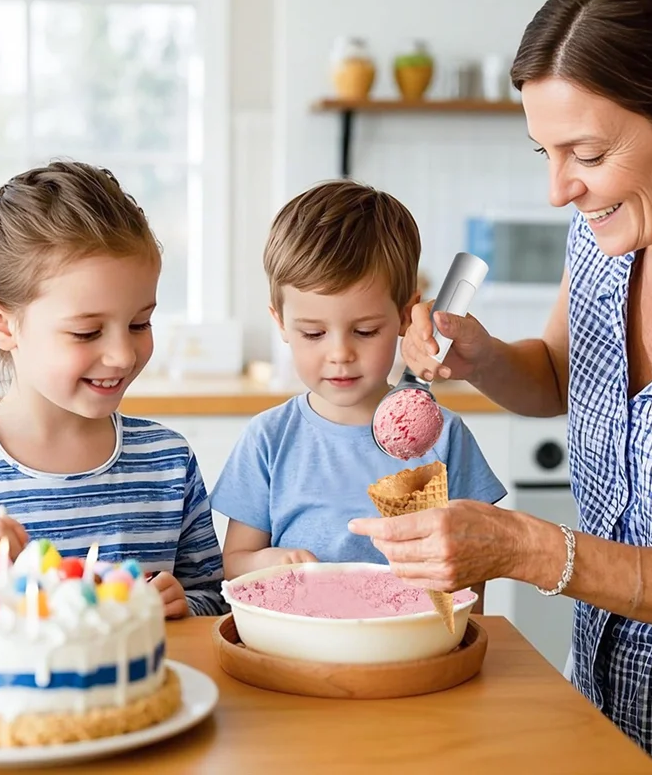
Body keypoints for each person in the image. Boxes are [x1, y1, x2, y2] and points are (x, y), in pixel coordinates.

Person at [349, 0, 652, 773]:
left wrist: (530, 551)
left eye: (587, 154)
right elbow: (562, 375)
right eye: (547, 153)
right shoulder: (604, 239)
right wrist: (484, 357)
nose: (558, 188)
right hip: (595, 714)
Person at [0, 162, 226, 619]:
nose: (122, 355)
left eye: (139, 323)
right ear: (1, 324)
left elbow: (215, 599)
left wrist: (182, 605)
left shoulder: (167, 462)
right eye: (87, 332)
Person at [210, 180, 506, 605]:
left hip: (412, 647)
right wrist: (269, 562)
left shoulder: (445, 438)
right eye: (312, 333)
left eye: (365, 331)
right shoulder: (269, 439)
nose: (340, 354)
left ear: (406, 315)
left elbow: (475, 574)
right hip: (299, 646)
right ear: (281, 324)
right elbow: (234, 562)